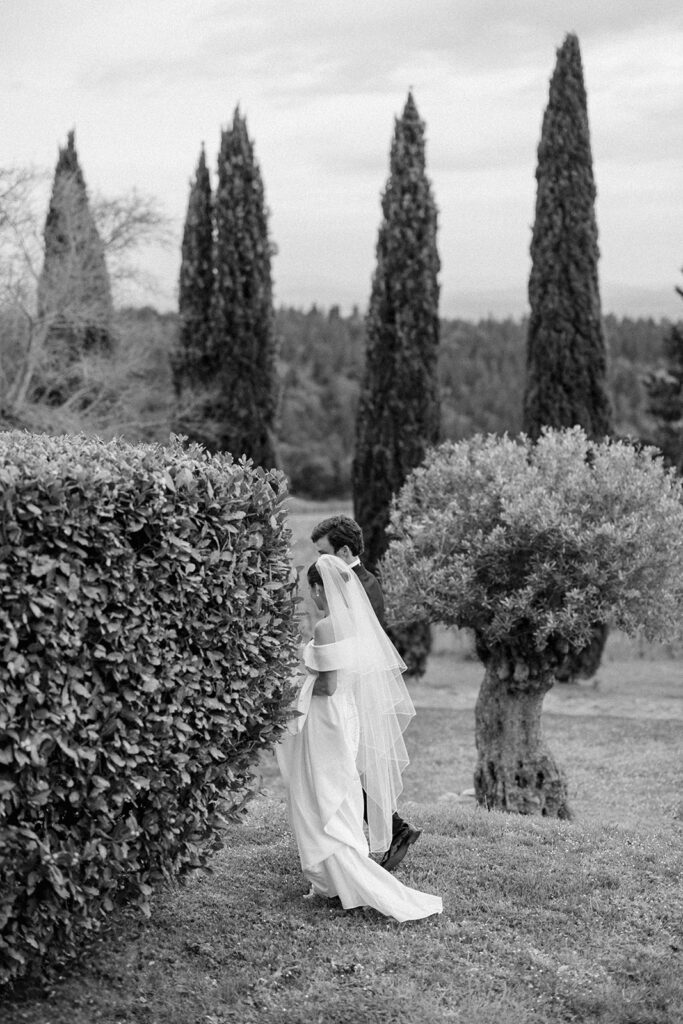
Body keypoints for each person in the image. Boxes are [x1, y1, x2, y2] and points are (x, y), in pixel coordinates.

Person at [276, 554, 442, 921]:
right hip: (346, 717)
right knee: (341, 791)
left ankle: (340, 876)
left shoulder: (326, 627)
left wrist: (290, 687)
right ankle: (330, 880)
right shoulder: (358, 623)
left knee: (319, 793)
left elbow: (327, 684)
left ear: (321, 588)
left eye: (312, 590)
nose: (313, 598)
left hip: (326, 718)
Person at [310, 515, 422, 872]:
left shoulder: (357, 586)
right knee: (354, 769)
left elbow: (352, 643)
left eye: (323, 552)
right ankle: (386, 830)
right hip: (355, 686)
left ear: (343, 550)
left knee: (347, 769)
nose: (318, 561)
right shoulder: (359, 580)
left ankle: (391, 830)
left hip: (355, 690)